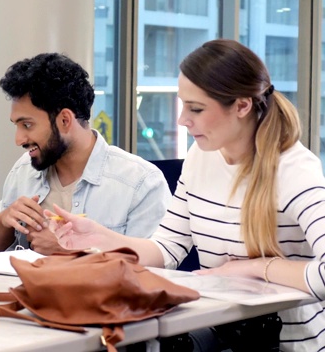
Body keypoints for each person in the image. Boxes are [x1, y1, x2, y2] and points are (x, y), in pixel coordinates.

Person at [49, 39, 325, 351]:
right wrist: (99, 237)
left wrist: (255, 268)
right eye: (183, 105)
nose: (182, 120)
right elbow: (167, 249)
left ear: (242, 106)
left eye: (196, 108)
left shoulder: (294, 171)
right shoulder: (200, 158)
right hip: (225, 336)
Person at [0, 53, 171, 255]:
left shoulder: (140, 183)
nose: (19, 139)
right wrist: (3, 224)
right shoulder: (23, 170)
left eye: (27, 125)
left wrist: (70, 252)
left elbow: (151, 269)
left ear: (65, 120)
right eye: (17, 126)